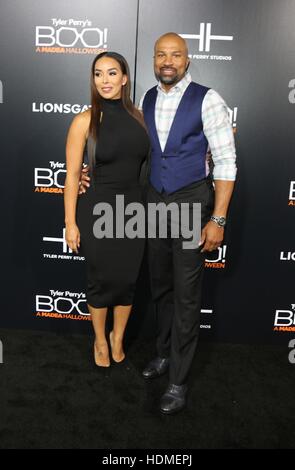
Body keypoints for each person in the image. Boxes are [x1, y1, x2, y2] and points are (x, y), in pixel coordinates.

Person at [80, 32, 237, 413]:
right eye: (160, 55)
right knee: (162, 288)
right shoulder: (145, 101)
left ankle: (178, 381)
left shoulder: (209, 99)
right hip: (151, 205)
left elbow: (226, 163)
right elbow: (128, 152)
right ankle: (164, 355)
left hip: (188, 202)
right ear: (153, 61)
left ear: (187, 60)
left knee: (186, 295)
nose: (167, 61)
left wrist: (217, 218)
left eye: (176, 55)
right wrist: (89, 173)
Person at [64, 52, 149, 368]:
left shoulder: (142, 118)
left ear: (125, 78)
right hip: (97, 209)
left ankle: (118, 337)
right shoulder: (83, 121)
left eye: (112, 73)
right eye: (98, 74)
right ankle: (100, 340)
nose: (105, 80)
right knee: (100, 279)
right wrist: (70, 222)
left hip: (134, 211)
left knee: (127, 280)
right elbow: (73, 175)